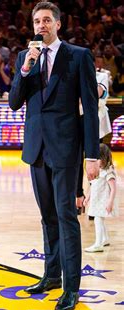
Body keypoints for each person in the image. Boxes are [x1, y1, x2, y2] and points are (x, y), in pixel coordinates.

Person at [8, 2, 99, 310]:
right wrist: (25, 69)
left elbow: (89, 109)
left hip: (65, 149)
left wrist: (92, 155)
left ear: (58, 24)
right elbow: (14, 103)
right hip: (36, 149)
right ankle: (51, 276)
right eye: (37, 20)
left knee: (66, 218)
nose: (41, 25)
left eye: (47, 20)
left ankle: (71, 287)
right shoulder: (25, 57)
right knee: (47, 217)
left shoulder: (78, 56)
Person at [76, 64, 112, 215]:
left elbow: (96, 93)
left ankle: (95, 199)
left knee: (97, 162)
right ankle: (78, 196)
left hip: (96, 124)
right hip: (77, 122)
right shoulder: (75, 76)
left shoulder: (101, 76)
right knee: (77, 161)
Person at [83, 144, 118, 252]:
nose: (97, 162)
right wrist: (87, 197)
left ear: (104, 158)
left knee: (98, 220)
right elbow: (93, 185)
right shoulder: (98, 170)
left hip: (103, 201)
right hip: (96, 200)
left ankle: (98, 244)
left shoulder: (108, 172)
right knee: (100, 220)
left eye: (99, 159)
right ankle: (105, 239)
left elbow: (113, 189)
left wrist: (110, 202)